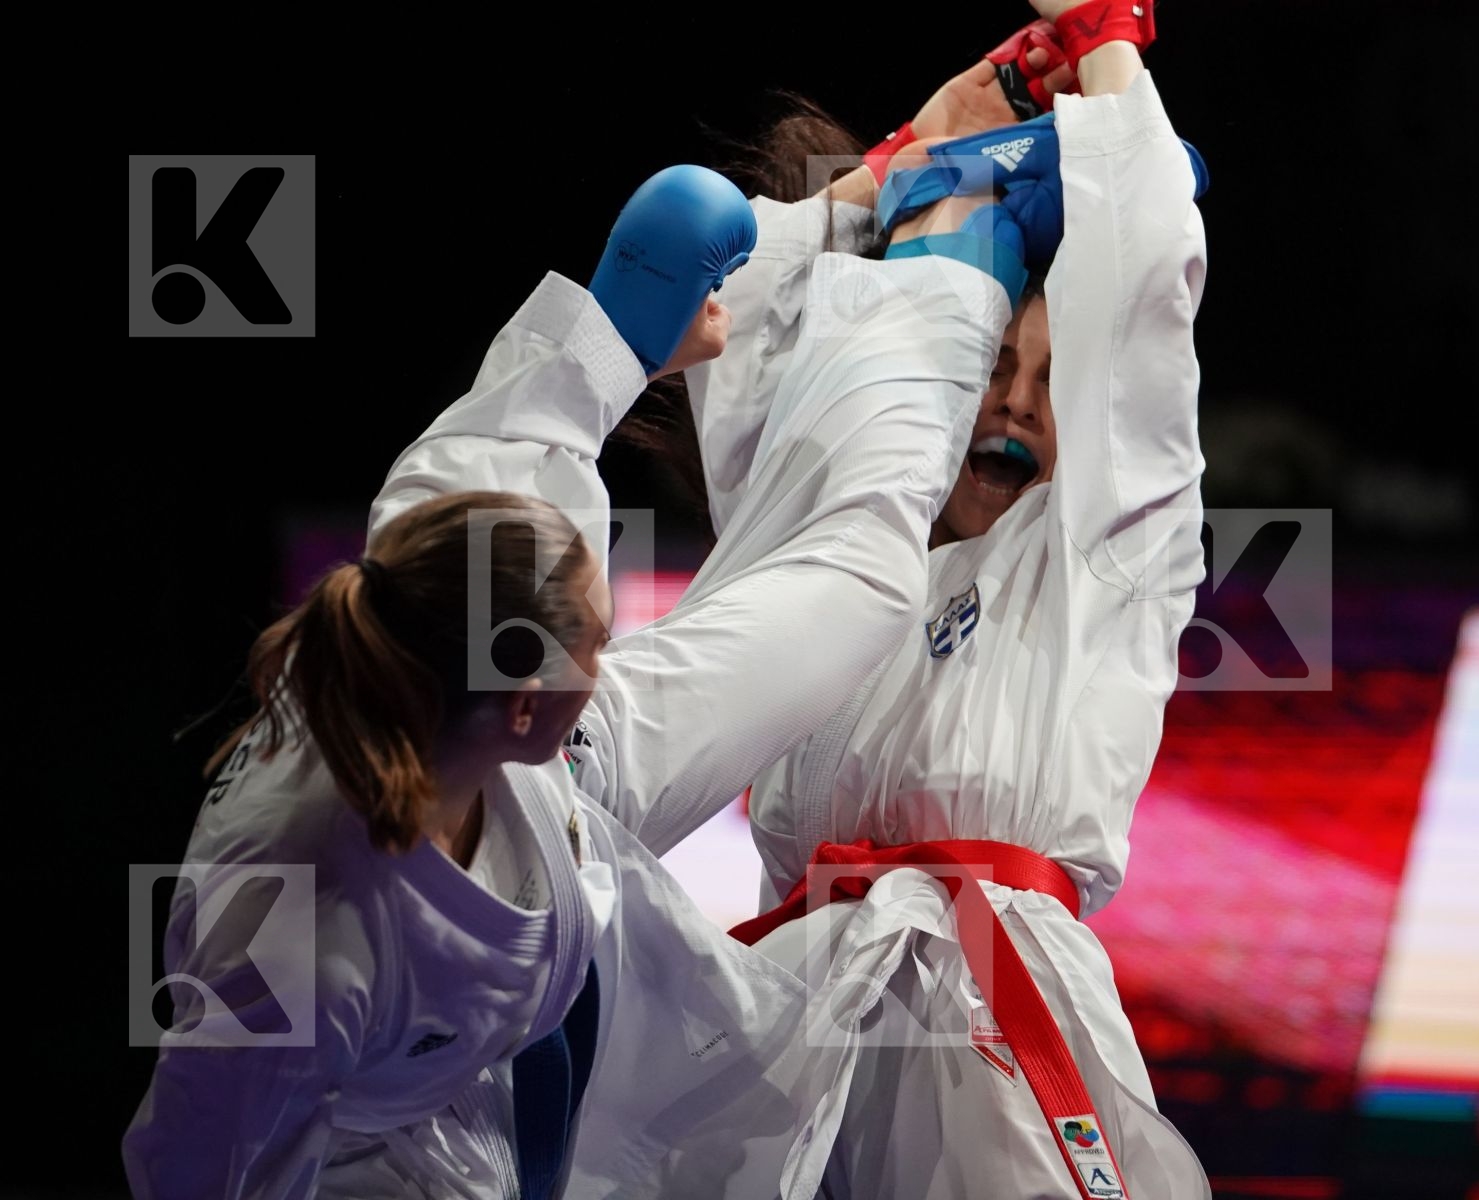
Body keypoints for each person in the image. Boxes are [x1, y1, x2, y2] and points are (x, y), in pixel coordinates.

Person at [123, 153, 1027, 1198]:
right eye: (595, 647)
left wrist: (855, 195)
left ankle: (951, 242)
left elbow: (566, 375)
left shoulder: (459, 543)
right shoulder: (297, 935)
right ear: (521, 700)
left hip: (554, 796)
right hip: (397, 1158)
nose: (619, 657)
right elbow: (191, 1164)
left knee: (861, 589)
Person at [666, 4, 1215, 1195]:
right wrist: (910, 155)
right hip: (786, 1039)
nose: (1012, 404)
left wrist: (1105, 33)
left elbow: (1149, 287)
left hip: (994, 1045)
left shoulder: (1103, 556)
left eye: (1051, 381)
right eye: (989, 366)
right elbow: (746, 332)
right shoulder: (826, 543)